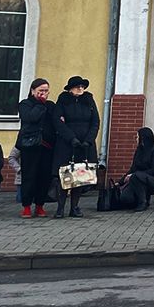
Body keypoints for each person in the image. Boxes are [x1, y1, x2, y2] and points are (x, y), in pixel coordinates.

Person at [53, 75, 100, 218]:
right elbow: (58, 121)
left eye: (82, 86)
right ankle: (60, 208)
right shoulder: (63, 100)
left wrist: (89, 140)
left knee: (80, 176)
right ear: (70, 89)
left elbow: (95, 122)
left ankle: (75, 207)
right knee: (64, 175)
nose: (80, 89)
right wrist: (71, 138)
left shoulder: (89, 100)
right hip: (67, 144)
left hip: (85, 144)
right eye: (77, 86)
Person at [16, 78, 56, 218]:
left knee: (44, 177)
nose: (43, 93)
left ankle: (40, 205)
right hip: (30, 146)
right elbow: (31, 118)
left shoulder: (50, 105)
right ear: (33, 91)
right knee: (29, 176)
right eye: (40, 91)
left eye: (46, 91)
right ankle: (26, 206)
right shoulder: (25, 104)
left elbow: (55, 121)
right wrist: (40, 104)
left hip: (47, 147)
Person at [121, 128, 154, 211]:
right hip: (139, 177)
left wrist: (135, 174)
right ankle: (137, 200)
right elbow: (133, 168)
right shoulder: (139, 150)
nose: (136, 139)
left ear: (143, 138)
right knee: (125, 198)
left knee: (136, 176)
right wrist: (120, 181)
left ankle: (143, 202)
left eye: (138, 137)